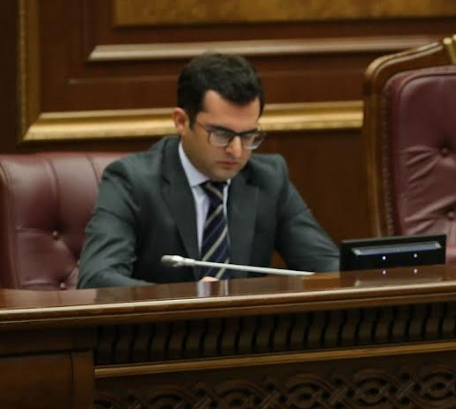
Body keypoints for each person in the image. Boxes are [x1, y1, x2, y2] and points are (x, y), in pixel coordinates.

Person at [78, 52, 338, 288]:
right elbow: (97, 279)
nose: (236, 150)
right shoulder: (131, 181)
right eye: (221, 134)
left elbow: (330, 269)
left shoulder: (268, 179)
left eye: (248, 136)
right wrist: (189, 299)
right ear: (182, 122)